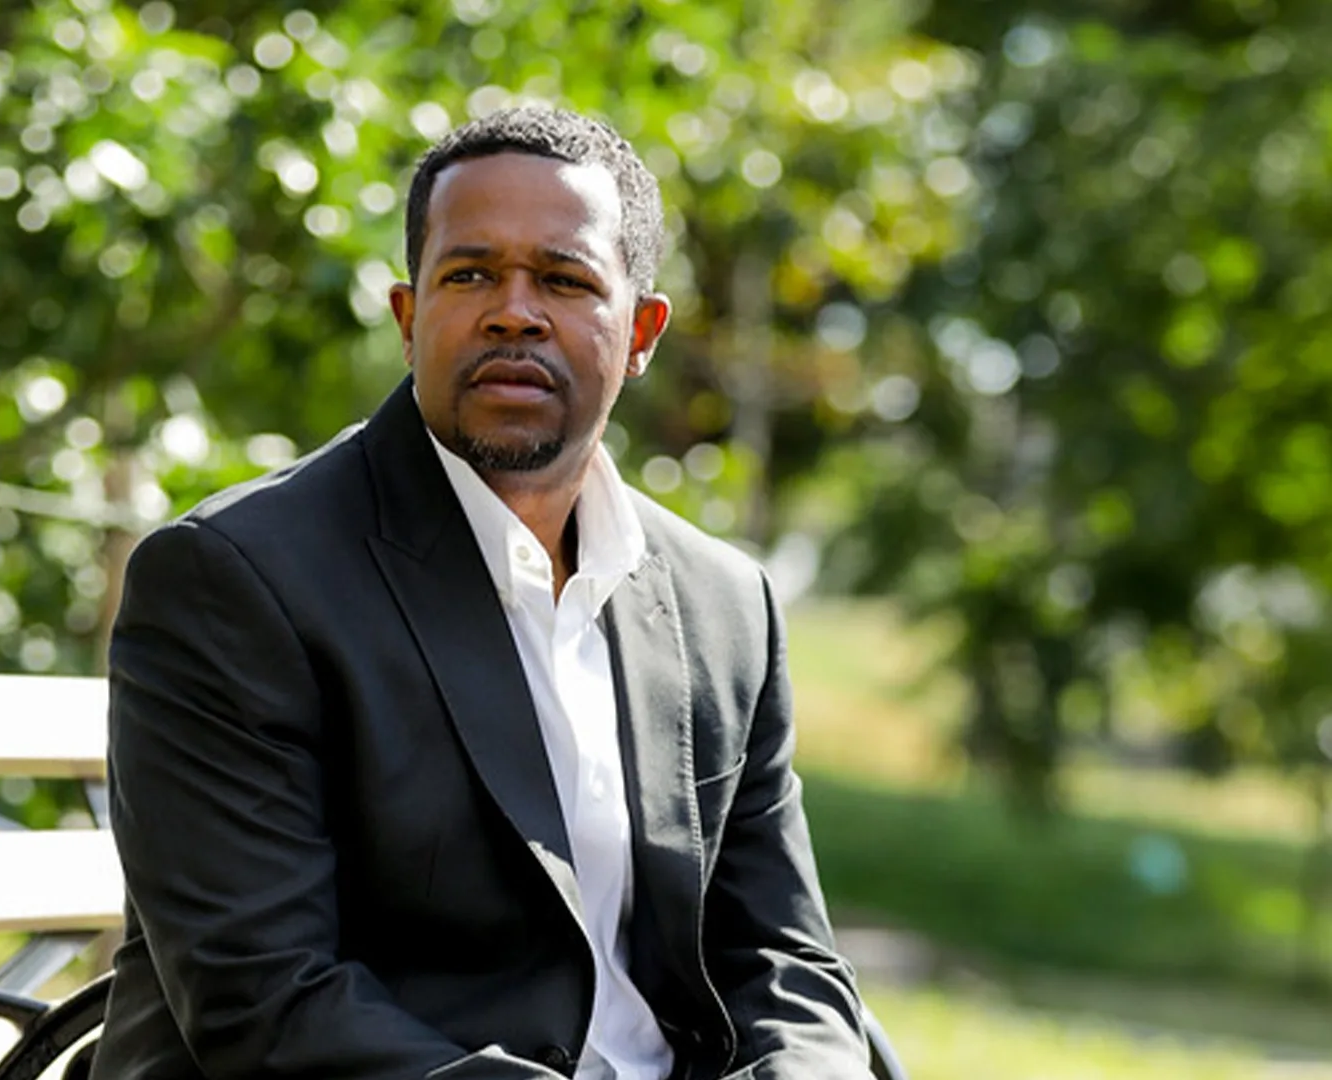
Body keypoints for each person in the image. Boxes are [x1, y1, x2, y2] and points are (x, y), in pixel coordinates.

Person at [91, 107, 872, 1080]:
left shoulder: (722, 607)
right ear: (408, 317)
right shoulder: (237, 582)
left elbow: (783, 964)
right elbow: (264, 999)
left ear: (640, 331)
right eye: (468, 275)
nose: (512, 310)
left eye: (562, 278)